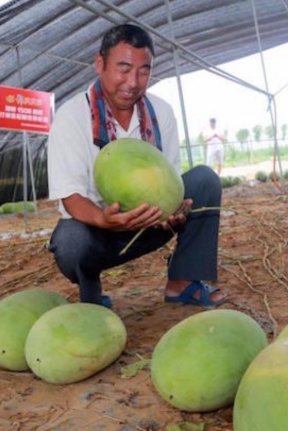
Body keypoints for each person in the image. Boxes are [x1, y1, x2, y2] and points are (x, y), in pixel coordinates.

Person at [46, 24, 226, 309]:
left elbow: (171, 180)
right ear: (99, 63)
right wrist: (105, 220)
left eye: (144, 71)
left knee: (204, 180)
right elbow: (70, 195)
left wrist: (175, 209)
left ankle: (182, 281)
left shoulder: (161, 112)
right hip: (99, 230)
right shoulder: (71, 117)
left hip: (151, 222)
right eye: (123, 68)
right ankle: (91, 294)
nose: (133, 82)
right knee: (70, 242)